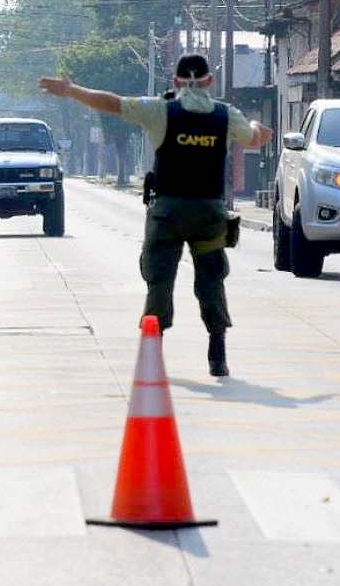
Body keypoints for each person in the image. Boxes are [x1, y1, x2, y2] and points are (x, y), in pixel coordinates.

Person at [39, 54, 274, 377]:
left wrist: (72, 90)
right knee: (211, 278)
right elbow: (254, 137)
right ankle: (217, 352)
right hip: (208, 213)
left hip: (168, 213)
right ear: (209, 82)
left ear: (175, 82)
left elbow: (114, 104)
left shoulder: (161, 110)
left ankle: (153, 351)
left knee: (160, 279)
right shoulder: (225, 115)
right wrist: (254, 127)